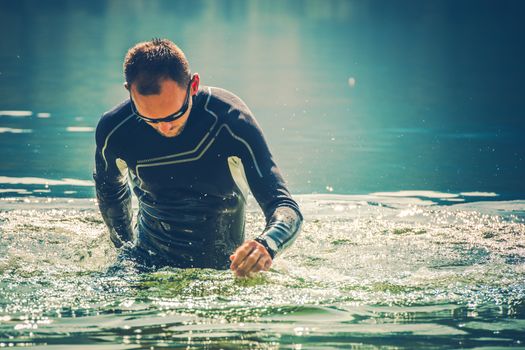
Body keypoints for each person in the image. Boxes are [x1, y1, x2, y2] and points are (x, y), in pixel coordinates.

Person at [93, 38, 303, 277]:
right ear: (129, 92)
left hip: (224, 268)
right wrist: (124, 249)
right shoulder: (115, 130)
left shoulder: (228, 121)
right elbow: (109, 191)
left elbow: (284, 206)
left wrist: (266, 245)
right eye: (150, 118)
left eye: (175, 114)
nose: (164, 128)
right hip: (145, 263)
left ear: (193, 86)